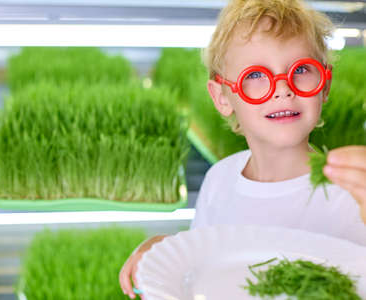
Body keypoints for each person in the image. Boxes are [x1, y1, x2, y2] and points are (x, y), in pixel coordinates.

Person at [119, 0, 366, 298]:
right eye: (255, 75)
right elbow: (204, 259)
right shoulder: (219, 179)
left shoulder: (354, 191)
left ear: (324, 84)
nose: (282, 88)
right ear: (222, 97)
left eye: (301, 69)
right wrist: (164, 248)